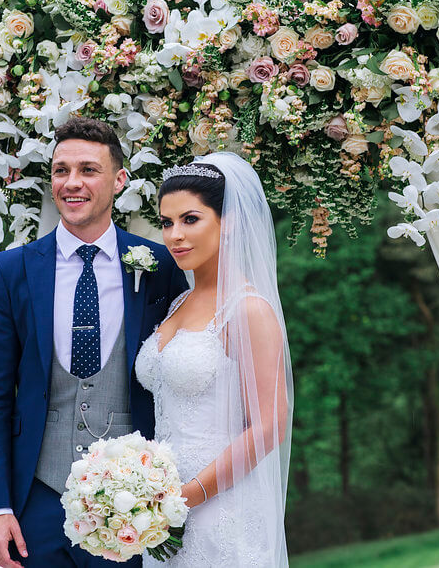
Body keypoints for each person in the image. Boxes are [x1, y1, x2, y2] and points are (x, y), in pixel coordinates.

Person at [0, 117, 189, 568]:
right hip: (35, 503)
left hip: (133, 506)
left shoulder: (159, 266)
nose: (72, 183)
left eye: (88, 170)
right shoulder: (11, 271)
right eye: (60, 170)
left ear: (119, 180)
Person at [135, 152, 294, 566]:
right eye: (167, 223)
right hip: (163, 511)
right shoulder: (177, 305)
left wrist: (182, 500)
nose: (174, 235)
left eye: (190, 219)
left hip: (220, 507)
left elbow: (268, 427)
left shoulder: (248, 310)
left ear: (230, 222)